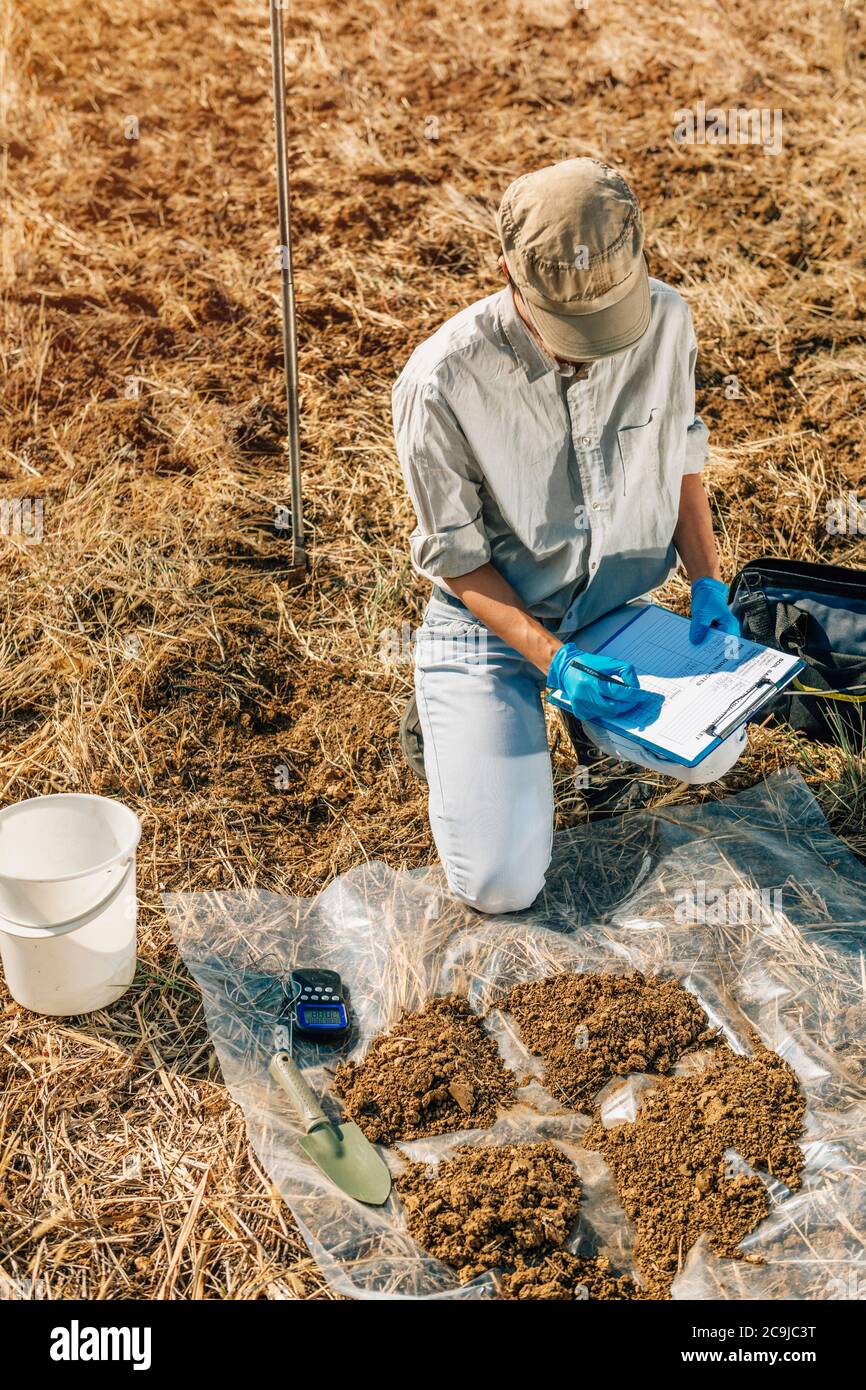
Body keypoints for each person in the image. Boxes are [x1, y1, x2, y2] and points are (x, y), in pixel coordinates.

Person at [392, 158, 743, 916]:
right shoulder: (440, 384)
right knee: (500, 884)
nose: (595, 349)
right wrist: (553, 659)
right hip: (492, 623)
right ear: (509, 276)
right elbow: (457, 558)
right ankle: (458, 714)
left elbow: (680, 454)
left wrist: (708, 579)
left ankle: (585, 724)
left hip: (614, 603)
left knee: (717, 753)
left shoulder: (668, 318)